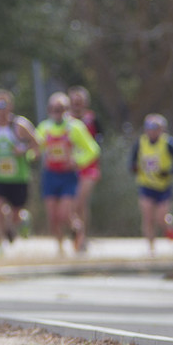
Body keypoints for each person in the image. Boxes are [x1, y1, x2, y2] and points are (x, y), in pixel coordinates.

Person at [37, 91, 100, 255]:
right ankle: (60, 249)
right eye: (53, 108)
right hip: (50, 175)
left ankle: (79, 234)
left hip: (68, 176)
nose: (56, 112)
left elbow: (93, 150)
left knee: (65, 214)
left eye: (60, 108)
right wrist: (32, 154)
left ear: (66, 109)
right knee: (53, 216)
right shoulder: (45, 127)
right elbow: (35, 148)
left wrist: (77, 161)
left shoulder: (75, 127)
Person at [0, 90, 41, 254]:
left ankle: (21, 220)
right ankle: (0, 244)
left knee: (15, 215)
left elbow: (37, 144)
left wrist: (24, 150)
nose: (0, 109)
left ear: (10, 106)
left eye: (3, 105)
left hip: (18, 177)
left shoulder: (20, 125)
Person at [129, 113, 173, 256]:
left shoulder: (168, 143)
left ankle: (171, 233)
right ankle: (151, 248)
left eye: (155, 128)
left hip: (164, 186)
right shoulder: (141, 142)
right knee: (147, 216)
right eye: (149, 128)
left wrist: (169, 172)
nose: (152, 131)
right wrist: (133, 167)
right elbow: (132, 160)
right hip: (146, 185)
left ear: (162, 129)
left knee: (161, 217)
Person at [68, 85, 102, 251]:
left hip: (89, 166)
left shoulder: (92, 119)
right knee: (71, 205)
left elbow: (98, 143)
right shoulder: (64, 121)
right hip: (69, 167)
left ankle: (82, 237)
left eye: (80, 101)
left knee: (80, 202)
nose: (77, 105)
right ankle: (76, 233)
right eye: (74, 101)